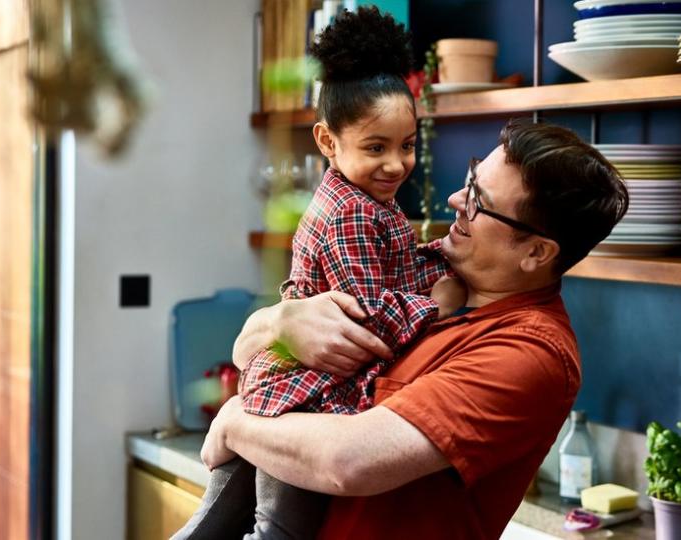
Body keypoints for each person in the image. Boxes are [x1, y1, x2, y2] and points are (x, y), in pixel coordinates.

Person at [200, 120, 630, 539]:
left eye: (480, 200)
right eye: (470, 178)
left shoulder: (529, 352)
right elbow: (245, 351)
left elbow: (347, 462)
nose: (456, 199)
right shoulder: (422, 271)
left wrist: (234, 422)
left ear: (536, 252)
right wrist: (277, 321)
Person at [174, 7, 465, 539]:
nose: (397, 164)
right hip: (301, 403)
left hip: (281, 394)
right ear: (327, 142)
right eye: (375, 147)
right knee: (276, 534)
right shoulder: (354, 212)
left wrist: (438, 256)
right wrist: (438, 302)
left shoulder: (371, 203)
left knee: (212, 529)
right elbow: (368, 317)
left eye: (407, 146)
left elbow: (390, 274)